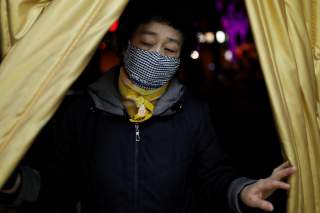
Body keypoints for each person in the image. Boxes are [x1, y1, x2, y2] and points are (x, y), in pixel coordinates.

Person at [0, 2, 295, 213]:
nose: (156, 54)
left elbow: (214, 176)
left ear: (178, 60)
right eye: (147, 42)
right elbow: (57, 185)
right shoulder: (82, 111)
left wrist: (242, 191)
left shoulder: (192, 112)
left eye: (169, 49)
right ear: (126, 44)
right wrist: (12, 181)